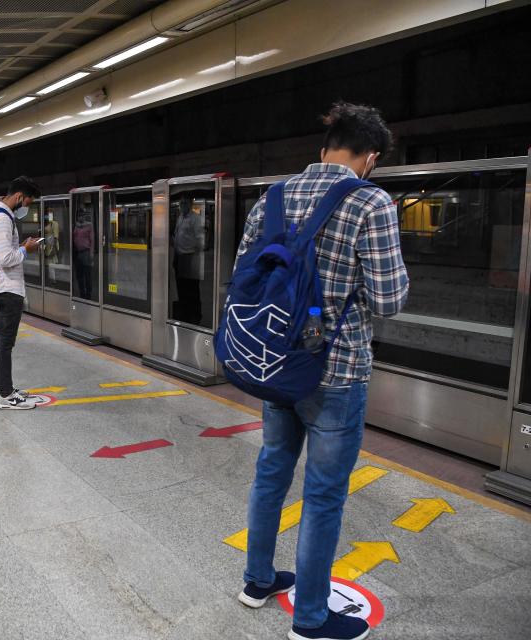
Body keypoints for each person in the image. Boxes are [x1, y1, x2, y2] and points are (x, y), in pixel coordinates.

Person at [235, 102, 408, 640]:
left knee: (271, 472)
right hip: (337, 371)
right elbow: (387, 300)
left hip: (276, 361)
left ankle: (257, 580)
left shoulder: (275, 197)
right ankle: (310, 619)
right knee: (325, 493)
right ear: (370, 157)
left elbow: (245, 271)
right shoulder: (370, 201)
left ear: (324, 148)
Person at [0, 176, 42, 409]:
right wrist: (26, 249)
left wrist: (21, 247)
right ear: (18, 197)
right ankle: (6, 396)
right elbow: (4, 258)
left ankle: (2, 389)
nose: (26, 207)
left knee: (0, 341)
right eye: (27, 202)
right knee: (5, 343)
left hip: (1, 288)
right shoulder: (1, 219)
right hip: (7, 289)